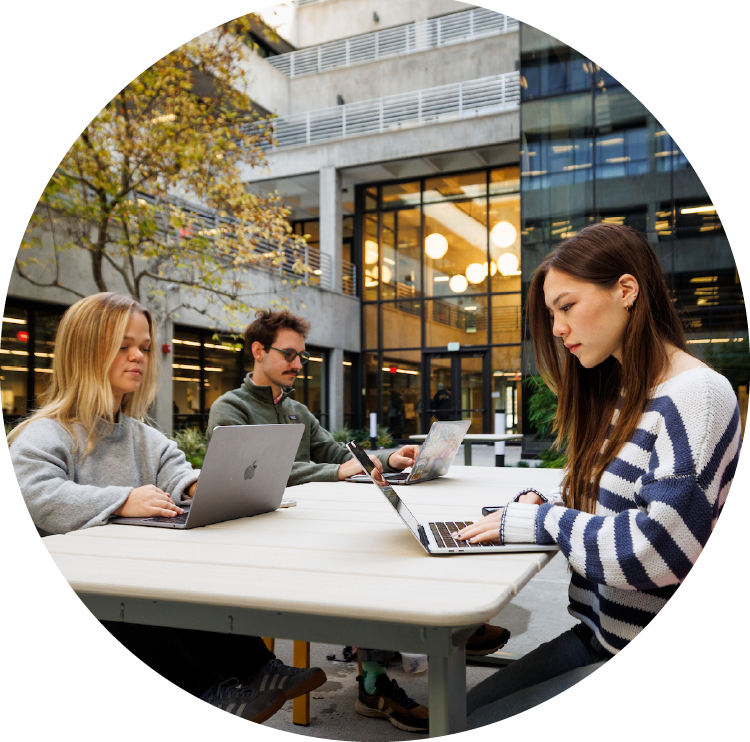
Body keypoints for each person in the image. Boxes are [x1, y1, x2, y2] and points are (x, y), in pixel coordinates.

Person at [452, 224, 741, 728]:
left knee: (467, 723)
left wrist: (542, 525)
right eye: (551, 314)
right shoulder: (623, 394)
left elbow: (659, 550)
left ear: (626, 291)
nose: (558, 327)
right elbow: (594, 506)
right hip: (600, 634)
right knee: (456, 712)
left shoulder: (697, 395)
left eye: (567, 306)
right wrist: (536, 507)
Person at [8, 292, 326, 726]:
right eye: (123, 345)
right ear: (83, 351)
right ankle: (208, 690)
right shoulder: (45, 434)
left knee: (192, 582)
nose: (138, 356)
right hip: (78, 598)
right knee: (141, 601)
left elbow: (175, 470)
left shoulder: (142, 435)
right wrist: (122, 499)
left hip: (127, 577)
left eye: (143, 346)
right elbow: (35, 496)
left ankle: (257, 669)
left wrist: (199, 486)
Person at [207, 308, 511, 732]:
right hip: (260, 541)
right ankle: (380, 678)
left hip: (303, 525)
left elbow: (335, 454)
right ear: (259, 351)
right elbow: (262, 475)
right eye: (290, 355)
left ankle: (432, 635)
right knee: (366, 558)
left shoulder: (295, 410)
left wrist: (388, 457)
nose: (298, 365)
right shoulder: (230, 409)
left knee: (380, 542)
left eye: (302, 357)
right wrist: (337, 472)